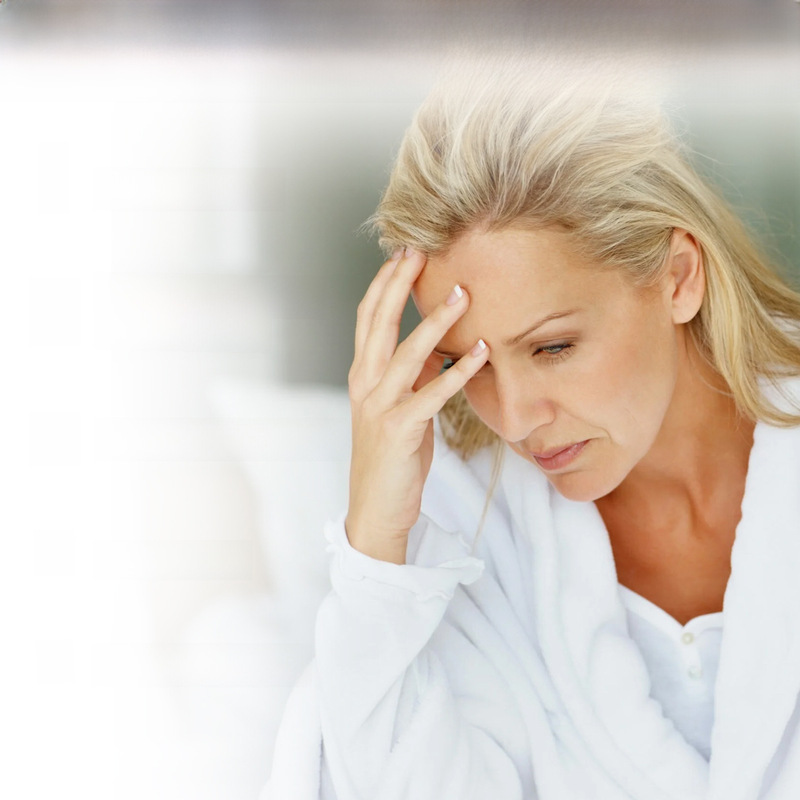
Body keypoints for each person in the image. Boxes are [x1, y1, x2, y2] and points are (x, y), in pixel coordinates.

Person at [262, 57, 800, 800]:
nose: (514, 420)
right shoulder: (460, 522)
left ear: (678, 278)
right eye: (465, 363)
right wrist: (377, 556)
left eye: (552, 347)